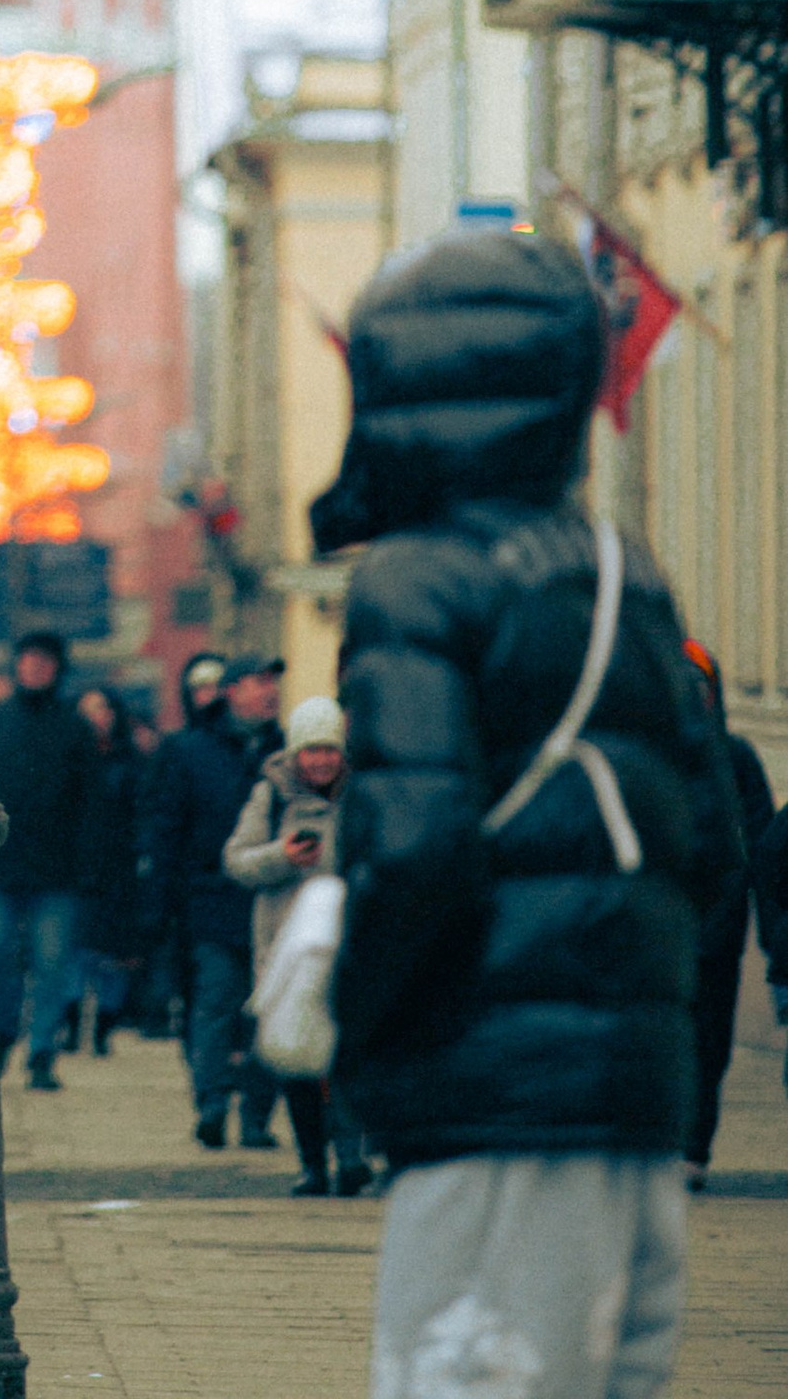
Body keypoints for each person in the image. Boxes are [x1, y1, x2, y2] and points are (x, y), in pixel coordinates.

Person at [318, 229, 740, 1399]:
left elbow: (411, 847)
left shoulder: (415, 578)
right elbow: (705, 844)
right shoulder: (625, 570)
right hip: (634, 1103)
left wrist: (358, 1033)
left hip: (489, 1089)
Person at [223, 693, 368, 1195]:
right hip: (289, 949)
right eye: (312, 751)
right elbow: (238, 861)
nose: (322, 760)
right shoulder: (272, 796)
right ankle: (313, 1165)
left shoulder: (363, 795)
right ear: (296, 754)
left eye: (330, 750)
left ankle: (352, 1158)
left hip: (347, 943)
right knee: (300, 1061)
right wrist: (283, 856)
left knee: (345, 1056)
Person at [147, 641, 284, 1149]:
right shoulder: (188, 751)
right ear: (232, 692)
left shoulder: (285, 752)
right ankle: (210, 1104)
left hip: (271, 904)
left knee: (267, 1010)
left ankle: (256, 1114)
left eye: (273, 683)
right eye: (259, 682)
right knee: (215, 1004)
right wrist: (158, 908)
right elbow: (165, 830)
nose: (269, 692)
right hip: (208, 902)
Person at [0, 627, 98, 1089]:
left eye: (44, 660)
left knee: (51, 965)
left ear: (57, 668)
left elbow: (90, 805)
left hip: (57, 873)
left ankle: (42, 1051)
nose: (34, 667)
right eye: (27, 659)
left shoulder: (75, 728)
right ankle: (2, 1037)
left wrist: (87, 867)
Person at [678, 642, 772, 1184]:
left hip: (716, 929)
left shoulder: (735, 759)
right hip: (656, 930)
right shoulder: (645, 755)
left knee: (708, 1041)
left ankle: (693, 1148)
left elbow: (760, 847)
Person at [71, 684, 146, 1053]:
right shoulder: (66, 759)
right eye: (87, 710)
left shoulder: (129, 763)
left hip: (119, 867)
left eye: (102, 709)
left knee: (114, 953)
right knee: (76, 949)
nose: (95, 718)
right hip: (73, 865)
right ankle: (70, 1024)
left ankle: (104, 1023)